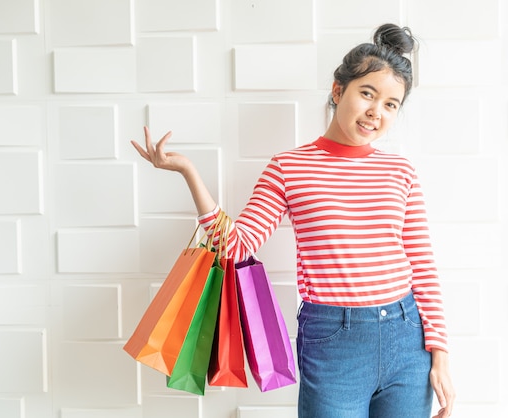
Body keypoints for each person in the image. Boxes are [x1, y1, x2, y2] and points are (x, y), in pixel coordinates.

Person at [132, 23, 455, 418]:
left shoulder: (400, 171)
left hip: (407, 337)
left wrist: (440, 354)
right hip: (333, 337)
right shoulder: (289, 167)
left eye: (391, 104)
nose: (376, 112)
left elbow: (422, 265)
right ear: (339, 91)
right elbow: (236, 245)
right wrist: (187, 171)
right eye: (367, 94)